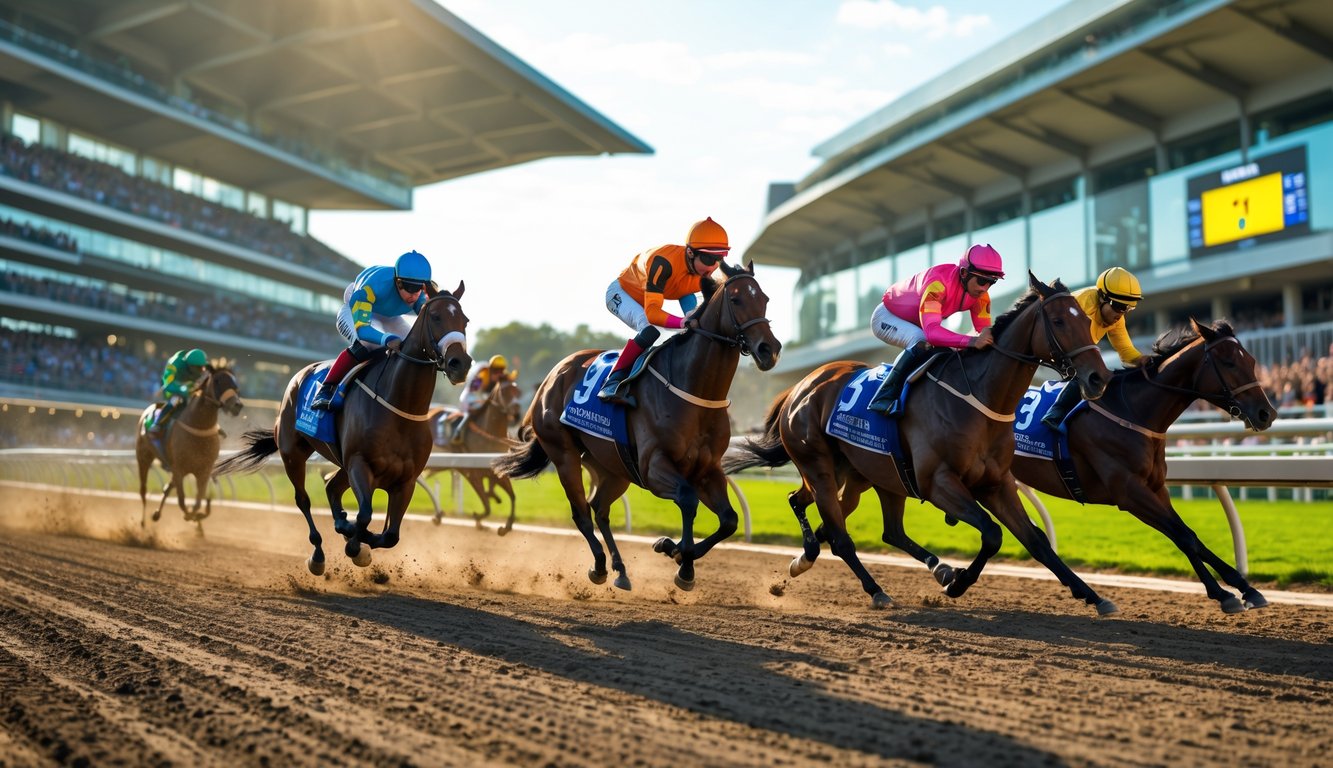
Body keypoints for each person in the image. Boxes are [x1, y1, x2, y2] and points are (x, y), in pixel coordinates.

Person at [597, 217, 728, 407]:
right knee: (650, 328)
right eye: (708, 258)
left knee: (695, 326)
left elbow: (686, 291)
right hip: (622, 293)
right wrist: (682, 321)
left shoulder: (702, 271)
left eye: (719, 258)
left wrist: (693, 318)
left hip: (650, 295)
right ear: (690, 252)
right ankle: (612, 382)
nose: (713, 266)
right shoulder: (663, 263)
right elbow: (652, 313)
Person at [867, 243, 1005, 416]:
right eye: (982, 280)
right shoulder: (938, 283)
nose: (984, 288)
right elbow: (932, 333)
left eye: (991, 282)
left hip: (921, 322)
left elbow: (984, 333)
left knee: (949, 349)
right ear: (964, 272)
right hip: (888, 317)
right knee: (921, 340)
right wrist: (972, 341)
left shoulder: (981, 297)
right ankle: (883, 396)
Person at [310, 250, 435, 410]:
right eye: (410, 287)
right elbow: (364, 331)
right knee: (366, 345)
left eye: (419, 288)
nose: (414, 294)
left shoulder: (419, 295)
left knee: (412, 347)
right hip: (356, 309)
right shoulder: (373, 287)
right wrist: (386, 339)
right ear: (398, 282)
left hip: (389, 316)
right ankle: (326, 389)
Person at [1041, 266, 1152, 432]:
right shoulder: (1081, 304)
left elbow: (1126, 352)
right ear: (1102, 298)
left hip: (1075, 357)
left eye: (1127, 308)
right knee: (1092, 371)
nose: (1121, 314)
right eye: (1118, 306)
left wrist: (1144, 360)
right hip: (1053, 352)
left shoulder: (1116, 319)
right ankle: (1055, 413)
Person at [148, 347, 209, 439]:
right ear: (191, 366)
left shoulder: (200, 367)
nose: (202, 371)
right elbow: (168, 384)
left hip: (189, 387)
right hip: (171, 387)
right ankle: (157, 423)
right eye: (199, 368)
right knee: (175, 400)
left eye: (202, 368)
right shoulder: (174, 364)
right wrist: (182, 390)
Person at [454, 354, 513, 443]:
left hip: (485, 399)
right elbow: (474, 391)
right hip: (471, 397)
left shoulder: (502, 378)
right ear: (491, 370)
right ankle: (458, 432)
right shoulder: (482, 376)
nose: (499, 374)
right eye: (496, 371)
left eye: (501, 371)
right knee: (472, 411)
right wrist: (486, 401)